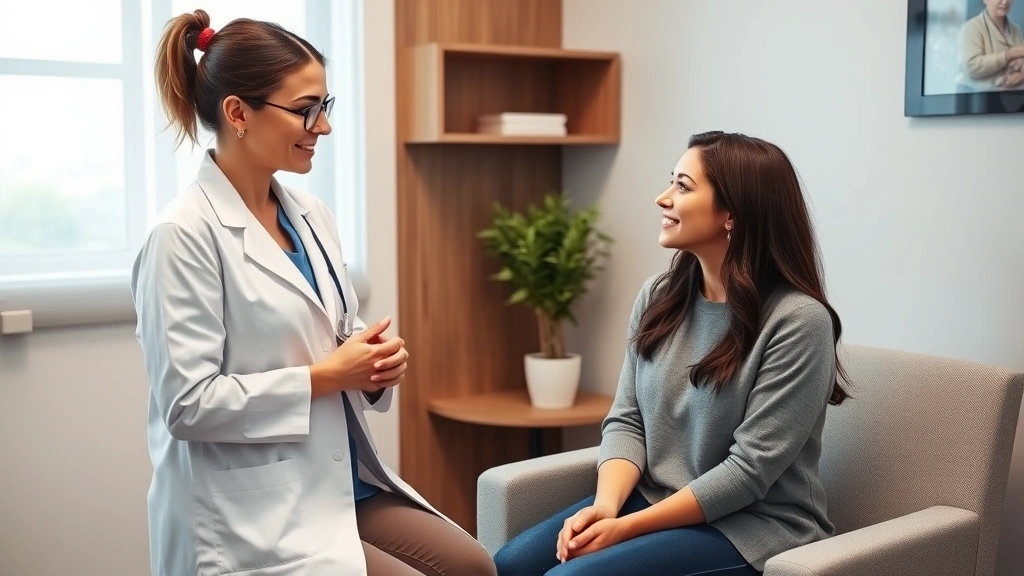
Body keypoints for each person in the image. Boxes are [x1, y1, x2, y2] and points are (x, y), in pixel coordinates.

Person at [133, 9, 496, 576]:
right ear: (238, 114)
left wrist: (373, 362)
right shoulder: (181, 236)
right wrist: (331, 375)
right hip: (251, 510)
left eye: (324, 107)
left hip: (333, 479)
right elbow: (188, 405)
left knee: (474, 565)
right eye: (305, 110)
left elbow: (336, 333)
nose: (322, 126)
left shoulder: (312, 215)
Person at [493, 131, 849, 576]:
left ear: (731, 214)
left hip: (753, 525)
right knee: (508, 566)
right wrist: (607, 507)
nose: (663, 198)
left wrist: (627, 529)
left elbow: (749, 472)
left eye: (683, 186)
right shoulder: (659, 296)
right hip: (655, 501)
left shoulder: (798, 321)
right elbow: (626, 419)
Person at [958, 0, 1024, 90]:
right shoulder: (971, 28)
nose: (1005, 2)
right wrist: (1008, 55)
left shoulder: (1016, 30)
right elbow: (971, 66)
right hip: (982, 99)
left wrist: (1021, 75)